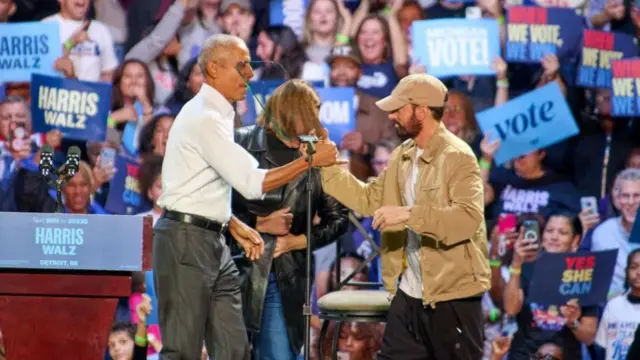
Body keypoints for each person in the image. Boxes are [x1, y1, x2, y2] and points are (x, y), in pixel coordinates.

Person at [152, 33, 341, 360]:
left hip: (216, 243)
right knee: (182, 351)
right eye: (241, 66)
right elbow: (252, 184)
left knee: (234, 351)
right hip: (185, 242)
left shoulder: (221, 117)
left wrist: (234, 223)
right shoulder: (205, 119)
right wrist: (309, 161)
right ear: (213, 68)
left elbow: (203, 187)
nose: (251, 75)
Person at [311, 73, 490, 359]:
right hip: (408, 293)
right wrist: (326, 167)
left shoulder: (458, 156)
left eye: (399, 109)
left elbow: (466, 220)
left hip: (452, 296)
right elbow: (368, 199)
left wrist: (407, 215)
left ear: (421, 111)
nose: (392, 115)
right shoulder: (402, 155)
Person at [232, 79, 349, 359]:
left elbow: (339, 218)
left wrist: (298, 241)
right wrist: (258, 224)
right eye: (310, 113)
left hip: (283, 275)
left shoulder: (318, 153)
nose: (315, 122)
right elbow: (216, 206)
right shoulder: (240, 142)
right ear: (289, 111)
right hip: (233, 269)